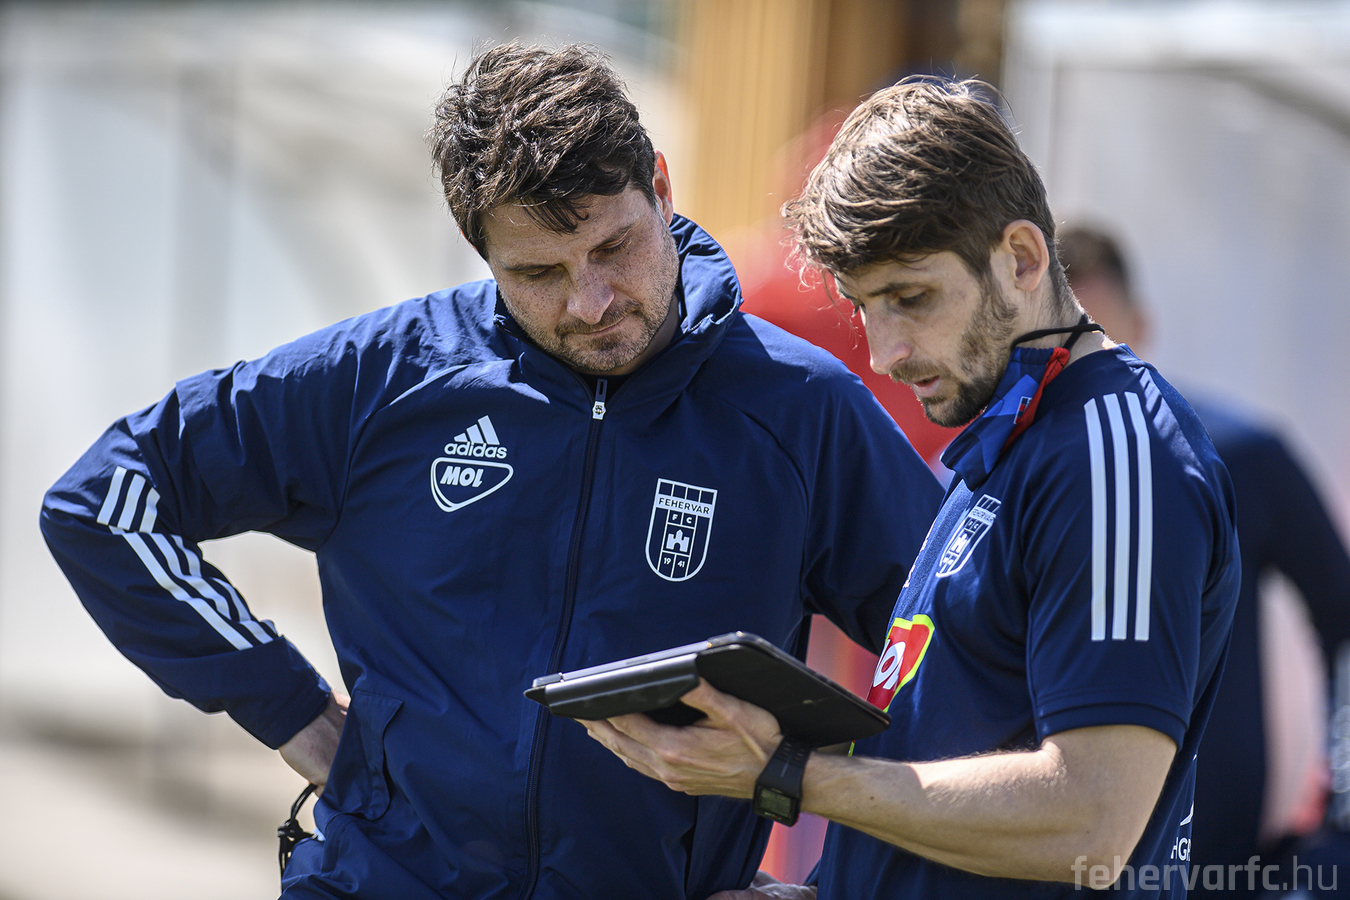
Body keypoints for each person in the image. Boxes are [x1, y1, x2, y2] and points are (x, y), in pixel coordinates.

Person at [38, 44, 943, 899]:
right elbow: (104, 499)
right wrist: (289, 708)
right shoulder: (385, 377)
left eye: (613, 248)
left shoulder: (799, 410)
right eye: (538, 272)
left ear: (661, 189)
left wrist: (841, 883)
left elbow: (968, 657)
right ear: (480, 251)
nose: (591, 301)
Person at [584, 76, 1241, 899]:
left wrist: (784, 772)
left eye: (911, 297)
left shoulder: (1114, 454)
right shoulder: (1011, 438)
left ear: (1023, 258)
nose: (884, 351)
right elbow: (952, 767)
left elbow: (1093, 820)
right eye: (864, 306)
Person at [1060, 224, 1350, 898]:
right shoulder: (1000, 481)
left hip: (1220, 869)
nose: (1082, 371)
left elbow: (1345, 616)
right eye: (1062, 348)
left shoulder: (1239, 457)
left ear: (1142, 327)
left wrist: (1343, 807)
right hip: (1055, 864)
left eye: (1101, 341)